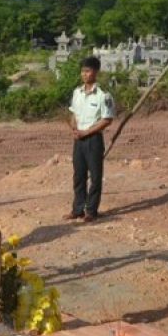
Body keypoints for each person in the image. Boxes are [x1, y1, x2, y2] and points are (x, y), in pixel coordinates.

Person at [64, 56, 115, 223]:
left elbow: (107, 119)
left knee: (95, 176)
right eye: (83, 71)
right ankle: (78, 208)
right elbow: (74, 113)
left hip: (93, 139)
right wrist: (74, 127)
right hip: (78, 140)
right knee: (78, 175)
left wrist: (86, 132)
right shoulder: (77, 92)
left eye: (88, 71)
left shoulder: (103, 95)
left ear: (96, 72)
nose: (85, 75)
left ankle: (91, 210)